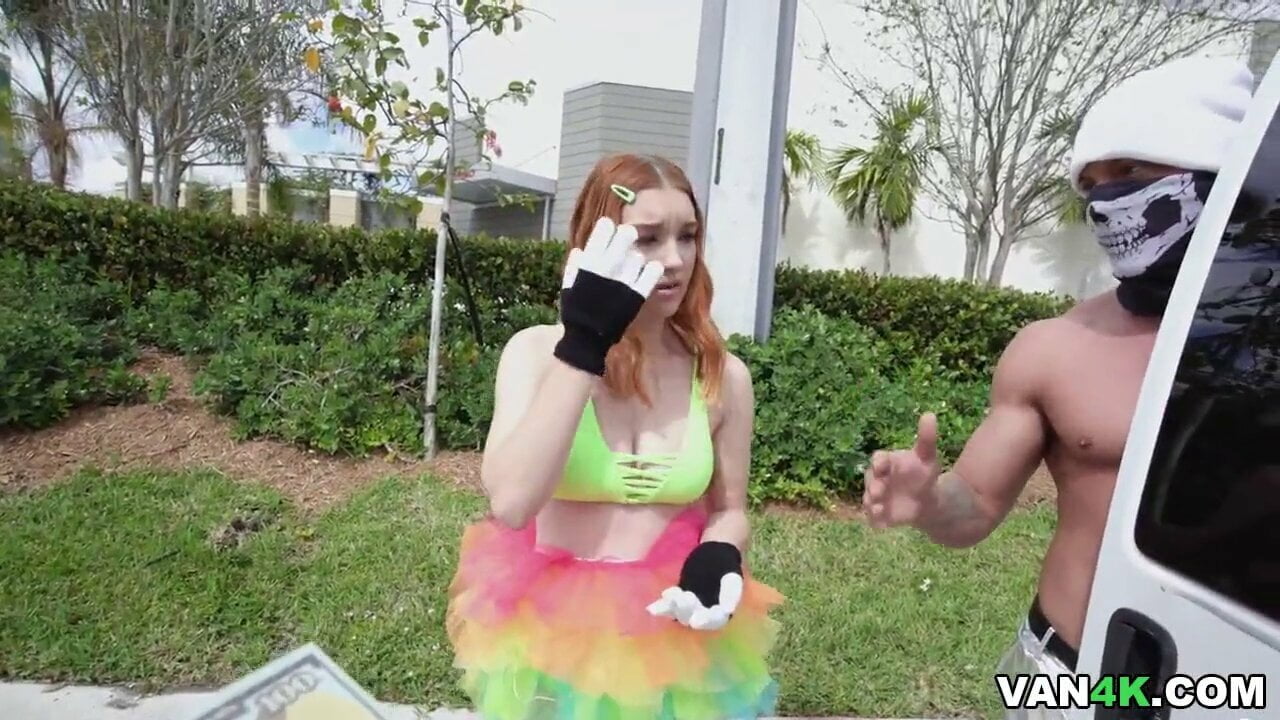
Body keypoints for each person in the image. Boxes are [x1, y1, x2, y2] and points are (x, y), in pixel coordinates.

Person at [858, 55, 1260, 717]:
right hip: (1071, 674)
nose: (1107, 201)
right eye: (1091, 185)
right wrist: (928, 502)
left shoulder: (1264, 345)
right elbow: (975, 504)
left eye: (1130, 173)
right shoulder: (1054, 347)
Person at [445, 152, 783, 720]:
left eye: (688, 236)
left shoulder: (722, 376)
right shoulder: (536, 353)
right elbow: (511, 502)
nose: (674, 260)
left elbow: (730, 510)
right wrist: (584, 343)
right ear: (599, 240)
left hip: (673, 635)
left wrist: (719, 554)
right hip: (551, 634)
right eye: (648, 238)